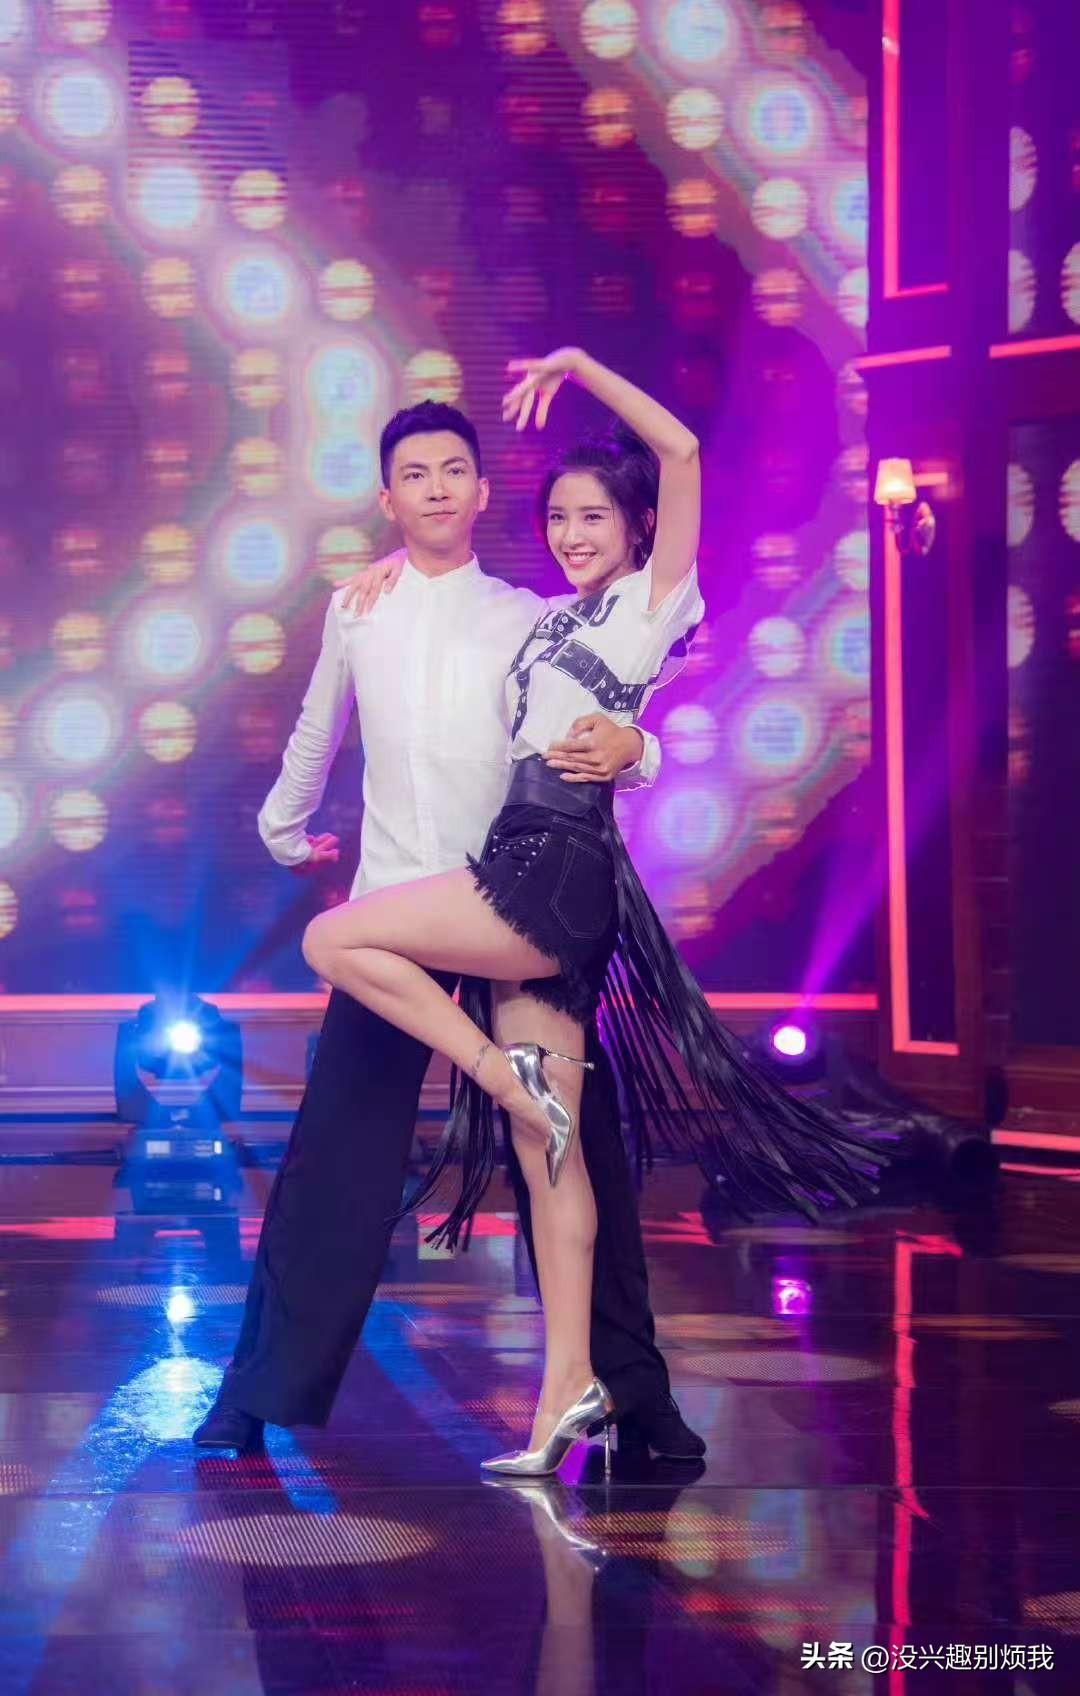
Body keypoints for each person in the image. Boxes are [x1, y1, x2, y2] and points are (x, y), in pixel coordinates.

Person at [289, 347, 880, 1477]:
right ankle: (571, 1385)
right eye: (558, 516)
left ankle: (492, 1070)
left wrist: (578, 366)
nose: (571, 533)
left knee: (336, 936)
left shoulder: (657, 598)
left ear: (639, 528)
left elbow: (683, 451)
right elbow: (452, 613)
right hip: (533, 855)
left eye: (594, 516)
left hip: (549, 869)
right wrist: (387, 571)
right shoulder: (551, 616)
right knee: (548, 1149)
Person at [193, 391, 706, 1465]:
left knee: (574, 1151)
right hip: (396, 912)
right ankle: (257, 1392)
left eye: (454, 472)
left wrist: (643, 753)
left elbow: (614, 708)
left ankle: (638, 1403)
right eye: (414, 475)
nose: (435, 489)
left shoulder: (531, 614)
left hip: (508, 903)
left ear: (480, 491)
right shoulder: (358, 608)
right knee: (335, 1157)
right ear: (388, 499)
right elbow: (317, 728)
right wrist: (284, 833)